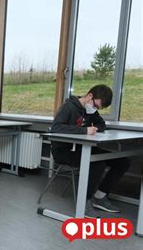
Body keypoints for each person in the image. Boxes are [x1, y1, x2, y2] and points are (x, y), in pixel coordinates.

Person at [51, 84, 131, 218]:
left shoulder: (90, 110)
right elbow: (56, 128)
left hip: (84, 148)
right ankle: (84, 202)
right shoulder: (69, 107)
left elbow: (101, 125)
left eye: (98, 108)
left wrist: (94, 129)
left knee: (123, 161)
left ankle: (99, 196)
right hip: (64, 151)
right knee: (96, 163)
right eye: (96, 106)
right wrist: (84, 130)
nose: (95, 109)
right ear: (90, 96)